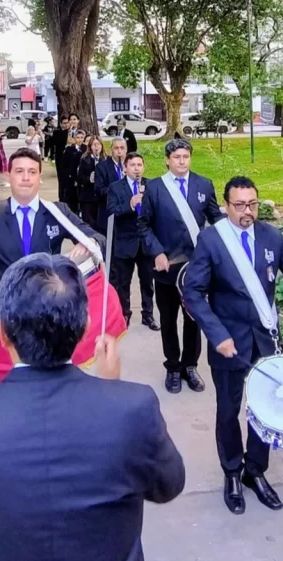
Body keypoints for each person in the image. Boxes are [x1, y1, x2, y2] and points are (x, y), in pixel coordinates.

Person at [0, 254, 186, 561]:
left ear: (1, 332)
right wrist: (110, 391)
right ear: (85, 327)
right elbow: (168, 484)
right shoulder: (134, 409)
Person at [182, 175, 283, 515]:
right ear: (226, 206)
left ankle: (255, 470)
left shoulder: (271, 237)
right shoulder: (211, 240)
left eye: (252, 204)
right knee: (228, 410)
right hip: (228, 343)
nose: (247, 211)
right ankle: (231, 472)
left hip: (265, 339)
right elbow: (192, 292)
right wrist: (217, 334)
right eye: (239, 205)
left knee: (265, 408)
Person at [138, 138, 222, 394]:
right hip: (166, 268)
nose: (182, 161)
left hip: (196, 269)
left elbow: (216, 219)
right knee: (168, 319)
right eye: (176, 157)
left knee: (193, 320)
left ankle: (190, 366)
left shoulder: (204, 184)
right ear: (167, 160)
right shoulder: (155, 188)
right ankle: (173, 367)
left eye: (185, 156)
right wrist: (157, 252)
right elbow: (144, 225)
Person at [0, 148, 103, 288]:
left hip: (47, 300)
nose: (26, 178)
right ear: (9, 176)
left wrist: (90, 242)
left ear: (39, 177)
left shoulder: (57, 212)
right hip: (3, 302)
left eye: (32, 172)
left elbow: (99, 239)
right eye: (19, 171)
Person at [107, 152, 158, 331]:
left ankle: (148, 315)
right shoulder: (115, 188)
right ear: (125, 168)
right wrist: (130, 204)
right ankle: (124, 314)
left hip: (145, 243)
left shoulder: (151, 185)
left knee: (147, 281)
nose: (136, 169)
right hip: (125, 242)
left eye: (139, 165)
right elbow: (111, 210)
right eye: (132, 165)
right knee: (123, 283)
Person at [94, 136, 128, 234]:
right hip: (108, 214)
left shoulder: (131, 166)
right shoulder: (101, 166)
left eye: (122, 148)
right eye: (116, 148)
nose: (119, 151)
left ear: (126, 149)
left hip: (127, 216)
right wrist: (117, 189)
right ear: (111, 150)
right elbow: (98, 190)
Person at [75, 136, 105, 228]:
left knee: (100, 224)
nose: (96, 147)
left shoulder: (105, 160)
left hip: (101, 198)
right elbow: (79, 178)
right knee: (89, 223)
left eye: (98, 144)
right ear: (90, 146)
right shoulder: (85, 159)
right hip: (88, 197)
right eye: (94, 144)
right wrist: (89, 179)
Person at [58, 129, 85, 214]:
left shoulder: (86, 149)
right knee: (72, 197)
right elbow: (64, 165)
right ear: (74, 138)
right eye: (78, 137)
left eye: (81, 137)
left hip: (82, 177)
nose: (80, 140)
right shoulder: (69, 150)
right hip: (71, 178)